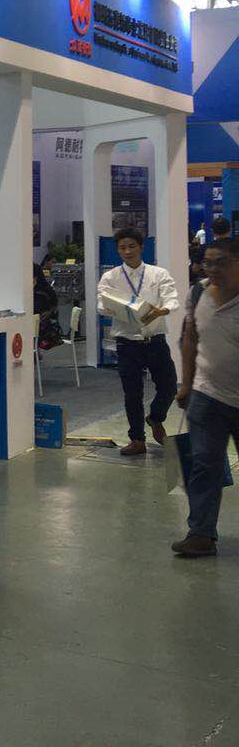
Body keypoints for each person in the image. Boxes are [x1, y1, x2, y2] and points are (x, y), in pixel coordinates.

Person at [173, 238, 239, 557]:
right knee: (204, 464)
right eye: (207, 262)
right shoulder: (197, 292)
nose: (212, 269)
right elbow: (190, 338)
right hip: (206, 394)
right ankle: (200, 534)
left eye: (221, 262)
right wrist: (186, 384)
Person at [98, 227, 180, 457]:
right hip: (127, 343)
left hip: (155, 340)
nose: (127, 251)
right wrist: (117, 309)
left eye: (132, 246)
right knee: (132, 393)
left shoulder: (158, 274)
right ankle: (137, 439)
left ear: (142, 247)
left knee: (169, 386)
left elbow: (172, 299)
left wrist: (161, 310)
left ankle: (155, 418)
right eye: (122, 247)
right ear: (118, 250)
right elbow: (101, 305)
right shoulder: (110, 277)